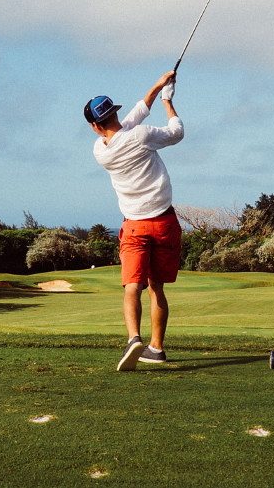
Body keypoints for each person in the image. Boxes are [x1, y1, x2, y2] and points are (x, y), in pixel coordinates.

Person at [84, 70, 184, 371]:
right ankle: (156, 348)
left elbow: (133, 118)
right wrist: (167, 101)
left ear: (95, 126)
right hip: (164, 222)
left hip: (135, 226)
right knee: (156, 288)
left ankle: (133, 339)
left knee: (132, 285)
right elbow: (176, 132)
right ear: (114, 113)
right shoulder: (140, 136)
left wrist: (157, 86)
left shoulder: (100, 151)